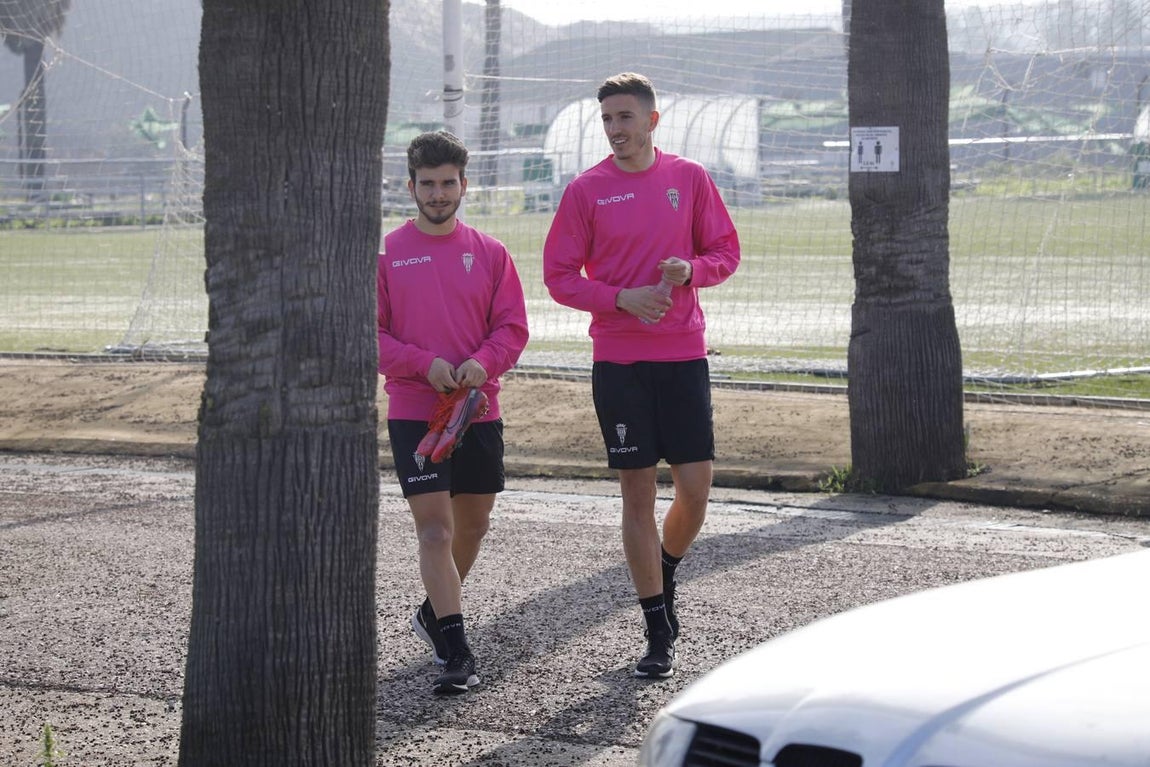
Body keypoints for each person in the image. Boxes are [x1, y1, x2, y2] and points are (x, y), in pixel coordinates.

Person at [542, 72, 740, 679]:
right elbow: (558, 276)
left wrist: (693, 269)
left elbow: (725, 253)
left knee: (695, 490)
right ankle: (657, 628)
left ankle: (666, 568)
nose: (615, 130)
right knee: (636, 496)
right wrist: (620, 299)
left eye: (625, 117)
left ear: (652, 121)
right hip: (620, 363)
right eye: (607, 119)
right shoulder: (586, 190)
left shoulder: (689, 178)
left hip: (683, 356)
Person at [378, 130, 529, 694]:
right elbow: (370, 335)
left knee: (473, 526)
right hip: (416, 411)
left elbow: (512, 327)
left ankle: (430, 615)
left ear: (464, 184)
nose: (438, 193)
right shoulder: (387, 253)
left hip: (477, 411)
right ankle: (455, 650)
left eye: (448, 183)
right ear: (411, 186)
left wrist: (481, 364)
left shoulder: (490, 252)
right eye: (427, 184)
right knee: (436, 533)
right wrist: (425, 364)